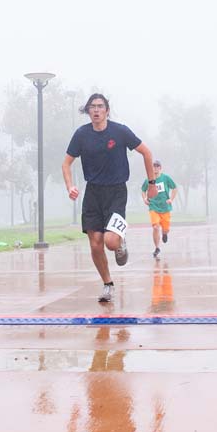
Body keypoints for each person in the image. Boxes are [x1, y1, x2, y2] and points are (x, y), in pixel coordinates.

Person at [62, 93, 156, 303]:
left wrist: (151, 185)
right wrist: (70, 187)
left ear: (106, 110)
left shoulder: (120, 131)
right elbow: (66, 163)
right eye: (92, 107)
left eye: (99, 106)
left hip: (116, 192)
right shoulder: (81, 135)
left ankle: (120, 243)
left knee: (110, 242)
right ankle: (107, 284)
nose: (96, 110)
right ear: (88, 111)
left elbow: (147, 153)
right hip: (93, 193)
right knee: (95, 244)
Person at [141, 161, 178, 258]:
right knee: (155, 227)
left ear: (160, 168)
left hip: (165, 207)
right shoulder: (149, 180)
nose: (155, 168)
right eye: (154, 166)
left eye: (157, 166)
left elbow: (174, 188)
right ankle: (157, 248)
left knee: (165, 229)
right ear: (152, 168)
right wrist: (145, 199)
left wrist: (171, 199)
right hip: (153, 206)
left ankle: (165, 233)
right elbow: (143, 190)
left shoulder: (166, 178)